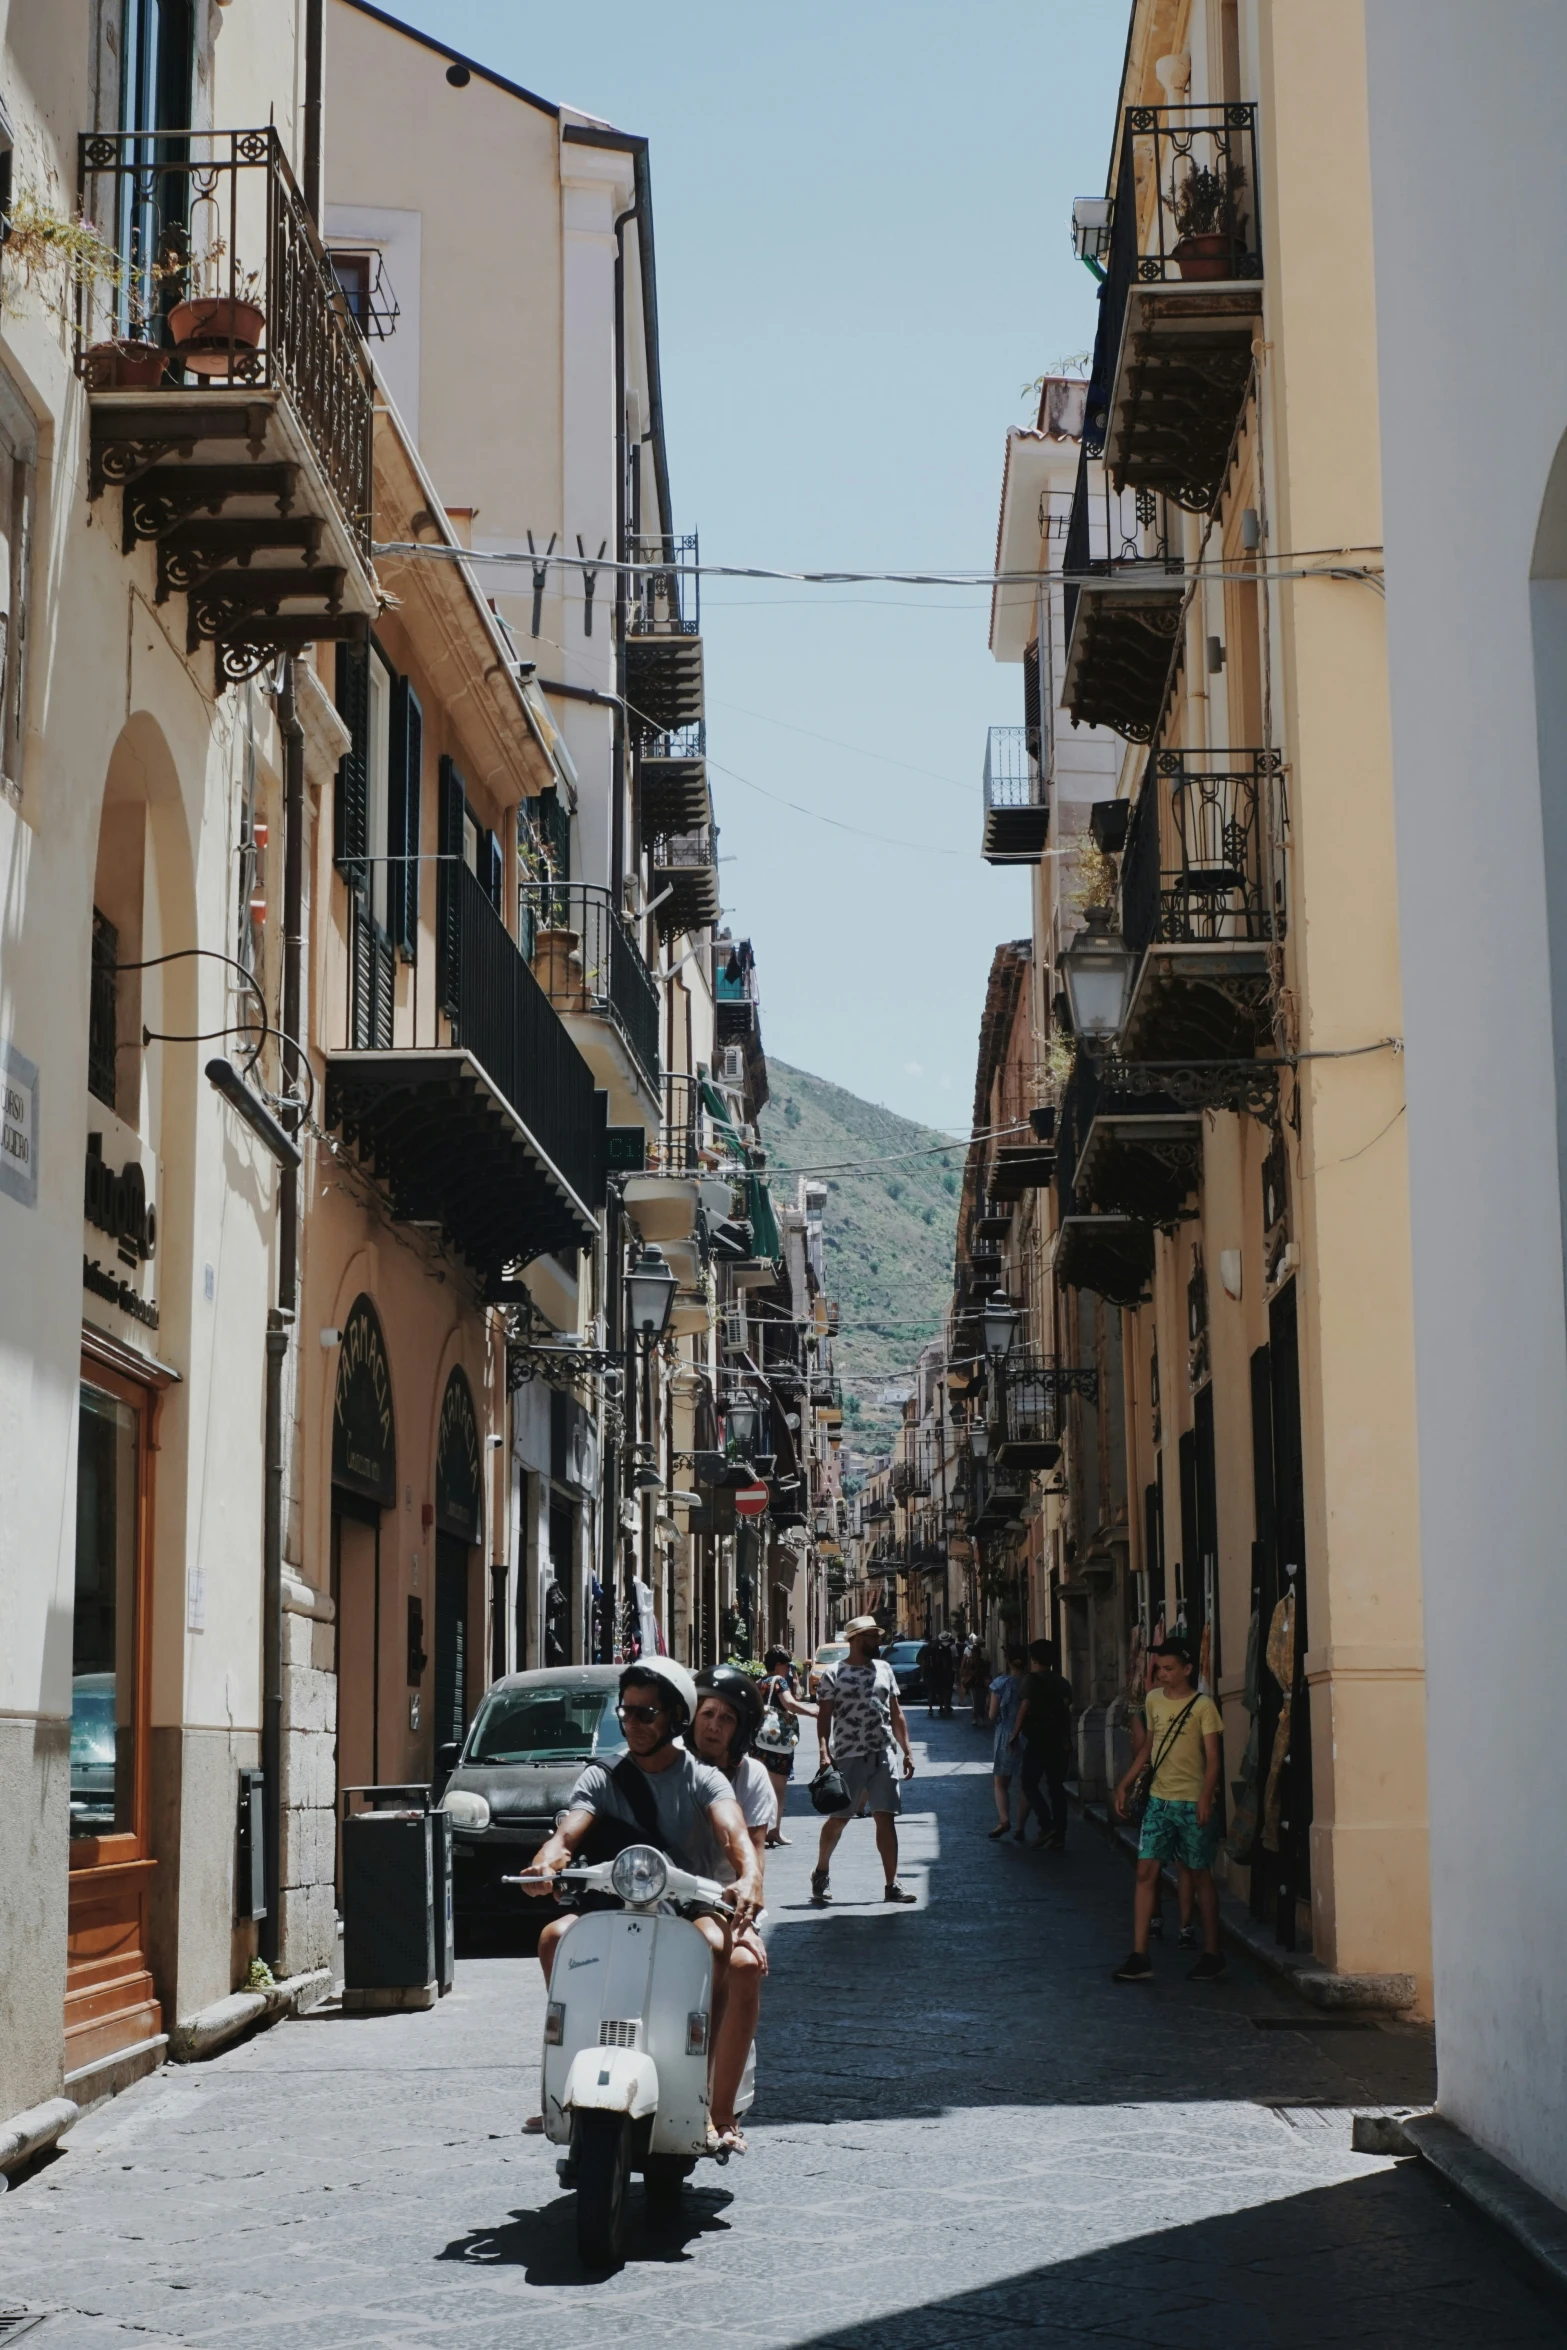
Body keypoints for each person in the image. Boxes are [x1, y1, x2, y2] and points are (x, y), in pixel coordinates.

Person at [523, 1657, 765, 2152]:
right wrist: (545, 1863)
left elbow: (734, 1832)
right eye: (626, 1713)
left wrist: (750, 1876)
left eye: (646, 1713)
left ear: (675, 1716)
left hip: (689, 1903)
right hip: (615, 1901)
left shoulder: (704, 1778)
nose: (633, 1724)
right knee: (554, 1938)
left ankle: (709, 2101)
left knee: (719, 1949)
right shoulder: (601, 1776)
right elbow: (567, 1832)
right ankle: (572, 2071)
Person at [1109, 1636, 1226, 1984]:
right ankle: (1140, 1955)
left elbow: (1215, 1759)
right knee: (1146, 1872)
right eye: (1159, 1668)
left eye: (1169, 1668)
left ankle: (1212, 1953)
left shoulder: (1204, 1707)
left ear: (1188, 1669)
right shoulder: (1153, 1700)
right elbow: (1148, 1747)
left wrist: (1206, 1795)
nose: (1161, 1674)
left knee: (1199, 1873)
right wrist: (1125, 1782)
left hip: (1192, 1802)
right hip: (1159, 1801)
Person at [810, 1615, 917, 1906]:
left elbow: (896, 1713)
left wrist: (906, 1750)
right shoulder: (833, 1673)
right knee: (840, 1818)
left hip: (883, 1753)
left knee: (886, 1817)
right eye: (871, 1636)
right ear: (855, 1639)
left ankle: (891, 1883)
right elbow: (824, 1718)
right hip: (847, 1755)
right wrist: (823, 1751)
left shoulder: (885, 1669)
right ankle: (821, 1871)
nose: (877, 1641)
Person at [1011, 1638, 1073, 1851]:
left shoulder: (1031, 1680)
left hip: (1037, 1739)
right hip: (1058, 1740)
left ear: (1034, 1659)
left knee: (1029, 1782)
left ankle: (1046, 1824)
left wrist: (1014, 1735)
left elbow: (1024, 1707)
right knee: (1056, 1788)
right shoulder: (1062, 1682)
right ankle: (1060, 1836)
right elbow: (1064, 1710)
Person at [754, 1644, 816, 1847]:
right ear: (778, 1664)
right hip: (776, 1743)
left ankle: (757, 1829)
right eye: (787, 1665)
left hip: (757, 1742)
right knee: (777, 1789)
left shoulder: (758, 1683)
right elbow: (789, 1703)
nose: (789, 1670)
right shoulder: (779, 1681)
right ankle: (774, 1831)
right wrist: (813, 1712)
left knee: (758, 1788)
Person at [988, 1648, 1030, 1840]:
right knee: (1026, 1783)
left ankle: (1004, 1819)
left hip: (1006, 1733)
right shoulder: (1031, 1683)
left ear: (1008, 1661)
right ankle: (1020, 1827)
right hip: (1029, 1734)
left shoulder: (1000, 1684)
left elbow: (992, 1715)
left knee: (1000, 1781)